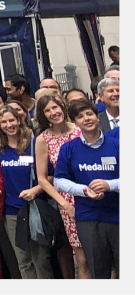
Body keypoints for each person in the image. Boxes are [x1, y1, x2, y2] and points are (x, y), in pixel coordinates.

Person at [51, 98, 119, 279]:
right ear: (75, 122)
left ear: (97, 117)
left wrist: (110, 185)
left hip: (119, 215)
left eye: (89, 114)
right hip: (88, 217)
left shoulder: (117, 145)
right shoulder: (68, 148)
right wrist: (83, 190)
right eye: (80, 116)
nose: (86, 119)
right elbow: (59, 181)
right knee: (98, 270)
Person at [0, 104, 52, 279]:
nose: (9, 125)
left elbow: (53, 176)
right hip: (11, 210)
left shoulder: (34, 144)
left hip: (35, 207)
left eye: (12, 120)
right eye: (4, 122)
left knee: (41, 260)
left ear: (19, 120)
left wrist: (36, 189)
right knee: (23, 261)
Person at [34, 93, 90, 278]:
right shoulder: (43, 139)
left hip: (91, 191)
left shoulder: (79, 129)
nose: (53, 112)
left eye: (55, 107)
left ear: (62, 107)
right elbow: (42, 178)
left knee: (101, 252)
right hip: (67, 200)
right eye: (48, 110)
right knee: (82, 259)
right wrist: (63, 204)